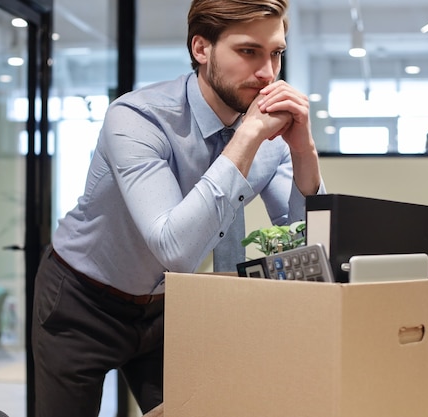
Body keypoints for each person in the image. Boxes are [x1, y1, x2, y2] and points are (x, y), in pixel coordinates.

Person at [32, 0, 326, 415]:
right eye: (248, 51)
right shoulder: (137, 118)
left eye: (276, 53)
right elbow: (175, 248)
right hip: (82, 299)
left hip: (168, 306)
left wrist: (303, 150)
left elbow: (307, 240)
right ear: (201, 48)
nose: (267, 73)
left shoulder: (270, 137)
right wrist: (245, 141)